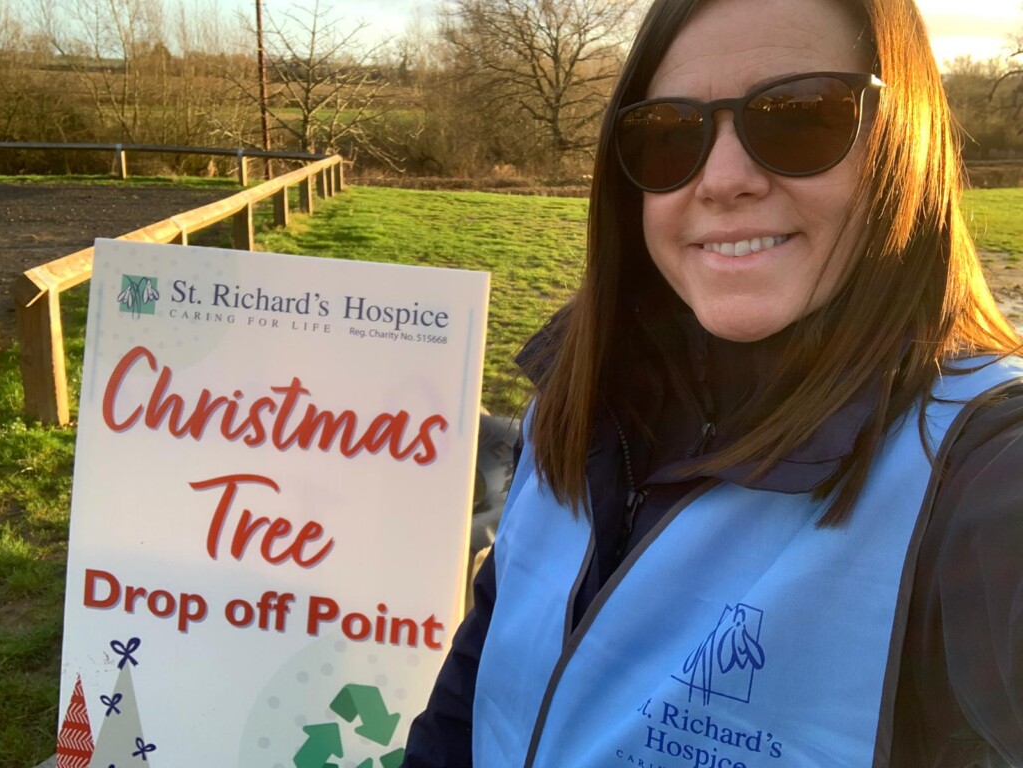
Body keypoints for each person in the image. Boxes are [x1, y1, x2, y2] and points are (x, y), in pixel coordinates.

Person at [403, 0, 1023, 764]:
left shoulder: (971, 471)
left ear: (904, 144)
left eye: (802, 117)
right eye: (668, 135)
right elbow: (469, 702)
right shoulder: (570, 402)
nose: (723, 179)